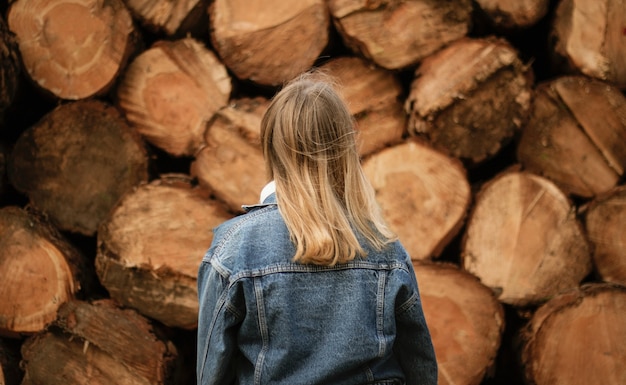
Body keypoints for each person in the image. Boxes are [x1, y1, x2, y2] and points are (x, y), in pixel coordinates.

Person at [197, 71, 437, 385]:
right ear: (345, 148)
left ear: (272, 147)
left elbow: (211, 372)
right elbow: (420, 368)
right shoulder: (385, 249)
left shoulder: (235, 250)